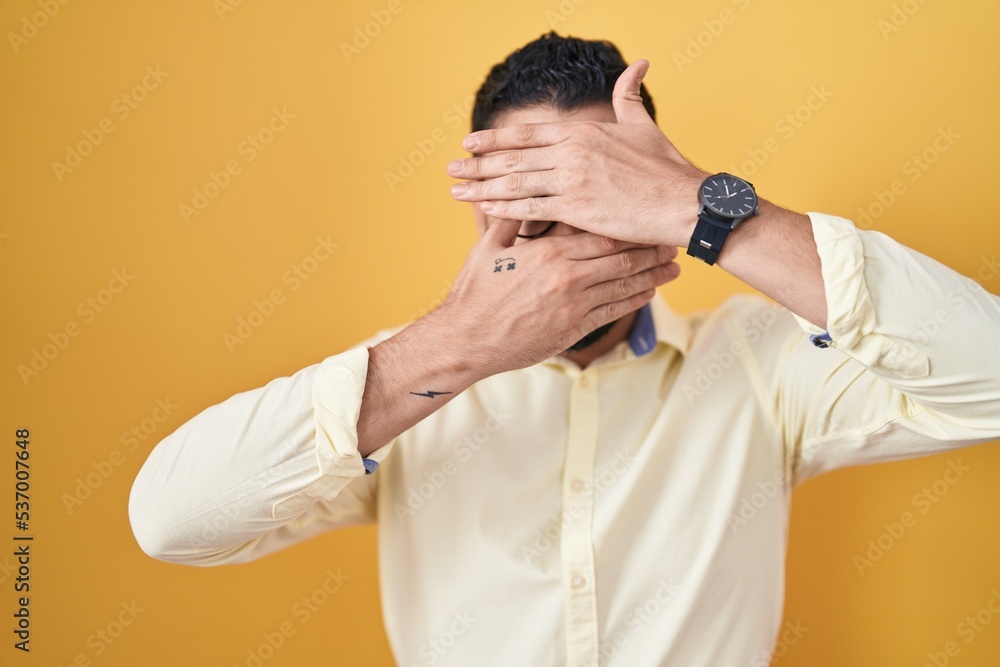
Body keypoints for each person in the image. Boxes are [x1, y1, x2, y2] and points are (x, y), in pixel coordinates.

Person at [129, 33, 1000, 666]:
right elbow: (172, 520)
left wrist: (709, 208)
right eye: (531, 194)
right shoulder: (400, 382)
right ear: (478, 206)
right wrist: (458, 343)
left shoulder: (758, 368)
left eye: (600, 192)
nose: (566, 232)